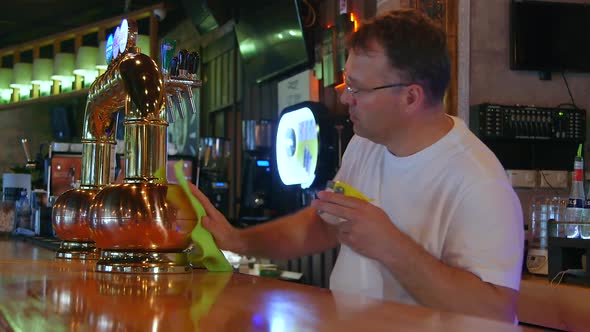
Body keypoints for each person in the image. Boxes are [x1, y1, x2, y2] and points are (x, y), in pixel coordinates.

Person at [188, 8, 523, 323]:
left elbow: (494, 312)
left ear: (411, 97)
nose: (346, 98)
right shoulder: (366, 144)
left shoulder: (478, 181)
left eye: (357, 88)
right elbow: (324, 224)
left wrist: (391, 246)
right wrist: (237, 241)